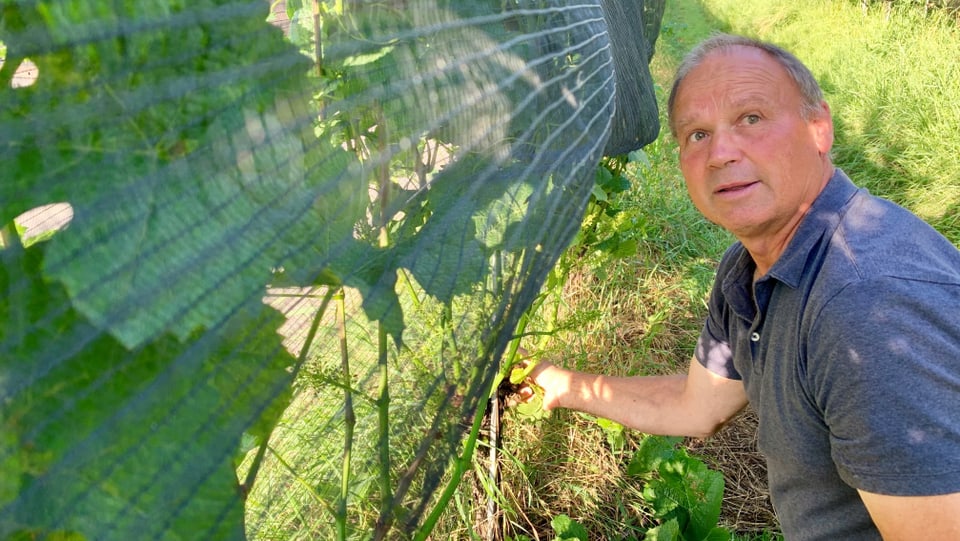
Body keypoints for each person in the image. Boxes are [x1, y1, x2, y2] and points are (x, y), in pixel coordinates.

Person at [519, 34, 960, 540]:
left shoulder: (866, 306)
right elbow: (697, 406)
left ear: (819, 128)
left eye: (751, 118)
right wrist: (559, 384)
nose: (720, 153)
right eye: (697, 134)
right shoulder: (748, 269)